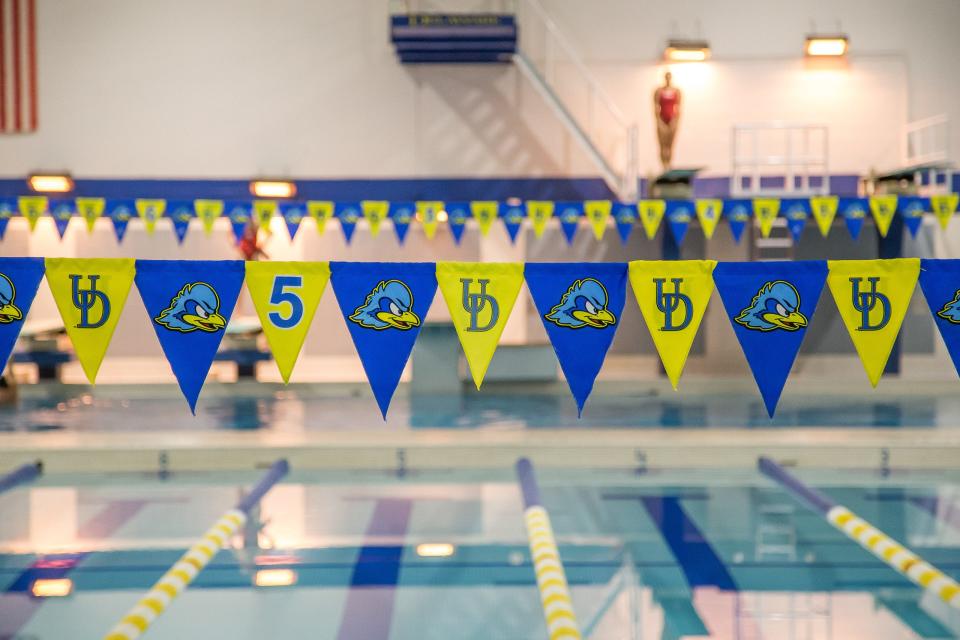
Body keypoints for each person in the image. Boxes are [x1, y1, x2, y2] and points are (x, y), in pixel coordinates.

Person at [653, 71, 681, 170]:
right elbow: (656, 107)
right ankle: (663, 166)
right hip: (662, 119)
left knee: (670, 145)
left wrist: (675, 121)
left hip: (672, 120)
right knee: (663, 145)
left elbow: (678, 108)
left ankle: (669, 164)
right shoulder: (659, 91)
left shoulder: (676, 91)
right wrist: (659, 121)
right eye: (666, 77)